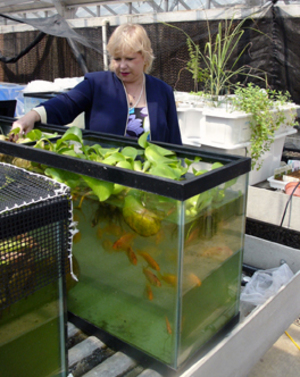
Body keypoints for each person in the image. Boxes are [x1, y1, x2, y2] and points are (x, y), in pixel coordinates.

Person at [11, 23, 182, 145]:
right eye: (117, 58)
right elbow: (66, 103)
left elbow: (173, 140)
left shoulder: (162, 91)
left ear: (144, 57)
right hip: (104, 177)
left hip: (152, 180)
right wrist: (31, 116)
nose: (122, 65)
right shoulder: (97, 84)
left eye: (129, 59)